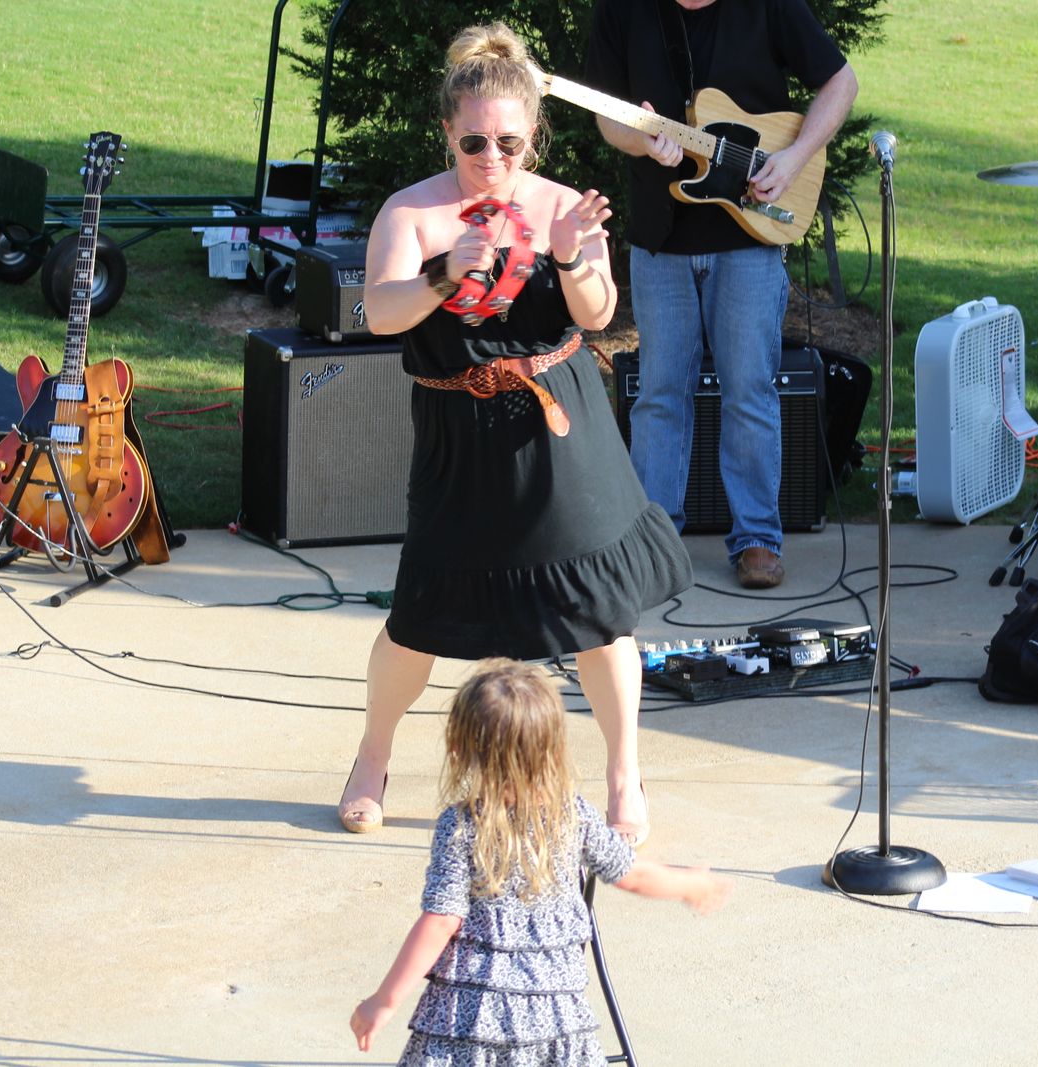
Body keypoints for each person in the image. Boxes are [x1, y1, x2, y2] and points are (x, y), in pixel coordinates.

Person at [338, 23, 692, 846]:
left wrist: (570, 258)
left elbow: (598, 313)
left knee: (601, 607)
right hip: (458, 430)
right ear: (447, 133)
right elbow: (381, 313)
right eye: (473, 142)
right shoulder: (412, 211)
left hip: (561, 422)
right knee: (420, 613)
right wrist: (446, 270)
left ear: (533, 135)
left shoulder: (564, 206)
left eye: (509, 142)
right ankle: (371, 758)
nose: (491, 157)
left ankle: (624, 775)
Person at [585, 0, 859, 589]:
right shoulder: (622, 11)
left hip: (751, 237)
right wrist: (643, 141)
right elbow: (609, 117)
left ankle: (758, 539)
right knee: (659, 395)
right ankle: (654, 546)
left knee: (750, 391)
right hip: (661, 235)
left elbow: (841, 81)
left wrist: (794, 157)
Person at [349, 659, 732, 1062]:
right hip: (555, 1017)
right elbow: (632, 874)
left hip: (469, 1019)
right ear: (552, 750)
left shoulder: (461, 826)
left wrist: (384, 1001)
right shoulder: (573, 815)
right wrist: (690, 885)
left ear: (459, 749)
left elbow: (442, 920)